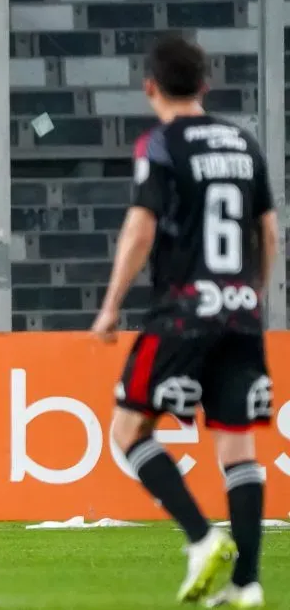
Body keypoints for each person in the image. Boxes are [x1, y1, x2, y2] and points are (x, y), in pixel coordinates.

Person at [91, 36, 275, 608]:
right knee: (238, 447)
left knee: (127, 430)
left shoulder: (160, 143)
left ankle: (200, 539)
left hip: (183, 310)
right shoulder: (244, 143)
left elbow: (141, 227)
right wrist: (250, 296)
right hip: (241, 310)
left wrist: (111, 304)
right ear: (205, 85)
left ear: (150, 86)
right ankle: (247, 584)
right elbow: (268, 232)